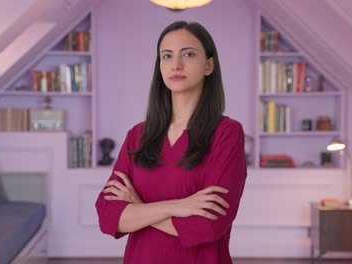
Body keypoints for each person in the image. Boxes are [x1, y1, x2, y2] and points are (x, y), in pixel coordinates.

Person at [95, 20, 247, 264]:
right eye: (166, 56)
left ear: (209, 65)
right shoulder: (138, 135)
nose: (176, 64)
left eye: (188, 54)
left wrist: (139, 208)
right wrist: (177, 206)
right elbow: (107, 216)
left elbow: (208, 226)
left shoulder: (226, 133)